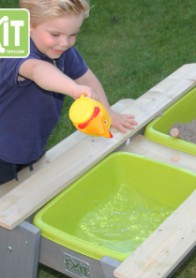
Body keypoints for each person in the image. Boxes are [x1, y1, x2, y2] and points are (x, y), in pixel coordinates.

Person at [0, 0, 137, 185]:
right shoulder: (15, 49)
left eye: (72, 35)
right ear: (30, 24)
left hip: (29, 140)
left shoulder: (60, 49)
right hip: (3, 149)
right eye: (55, 34)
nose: (64, 43)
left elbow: (87, 78)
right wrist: (72, 88)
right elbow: (37, 70)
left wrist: (108, 113)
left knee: (27, 185)